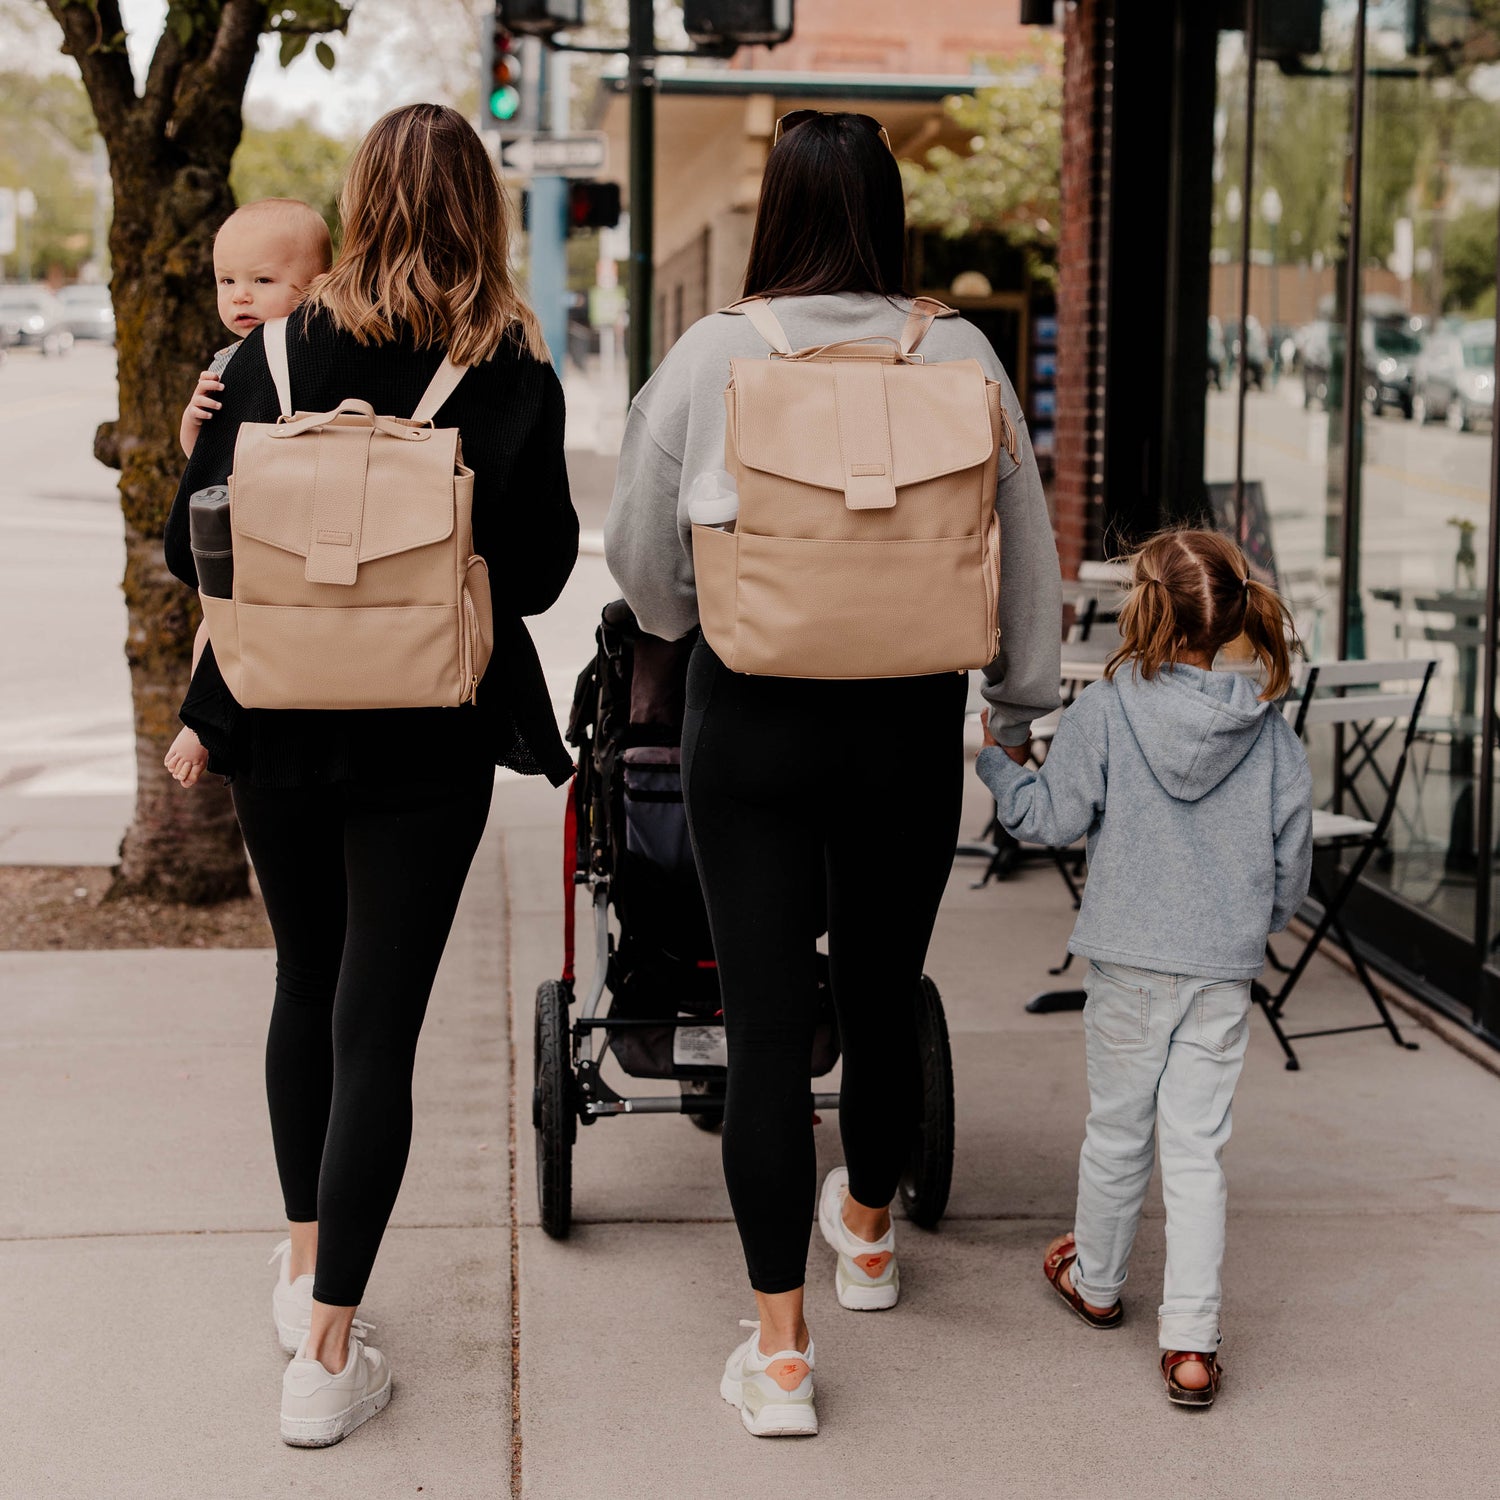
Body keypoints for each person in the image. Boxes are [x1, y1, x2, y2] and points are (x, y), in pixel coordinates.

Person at [605, 110, 1062, 1437]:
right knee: (877, 992)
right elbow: (1017, 547)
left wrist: (705, 622)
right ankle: (865, 1230)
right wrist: (1021, 704)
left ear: (777, 212)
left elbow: (642, 563)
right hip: (908, 725)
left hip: (751, 722)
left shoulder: (713, 354)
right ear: (889, 214)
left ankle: (783, 1357)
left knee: (762, 1035)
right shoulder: (962, 349)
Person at [163, 103, 578, 1447]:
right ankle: (329, 1353)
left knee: (304, 981)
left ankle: (303, 1271)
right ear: (485, 212)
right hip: (427, 732)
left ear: (358, 205)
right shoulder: (506, 367)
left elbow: (192, 554)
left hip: (277, 714)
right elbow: (542, 574)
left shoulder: (269, 350)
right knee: (378, 1025)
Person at [976, 528, 1312, 1408]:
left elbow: (1046, 819)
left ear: (1146, 611)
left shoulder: (1111, 708)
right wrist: (1247, 928)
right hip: (1220, 972)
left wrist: (998, 767)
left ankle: (1096, 1282)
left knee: (1118, 1133)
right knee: (1198, 1151)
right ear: (1236, 616)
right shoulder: (1268, 732)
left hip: (1127, 963)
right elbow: (1291, 867)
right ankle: (1192, 1347)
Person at [165, 198, 333, 790]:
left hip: (285, 526)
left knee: (233, 625)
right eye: (228, 281)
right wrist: (193, 423)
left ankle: (207, 721)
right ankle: (207, 721)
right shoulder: (226, 362)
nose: (240, 296)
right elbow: (203, 465)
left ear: (316, 288)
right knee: (214, 624)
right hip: (242, 522)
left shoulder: (307, 356)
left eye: (263, 281)